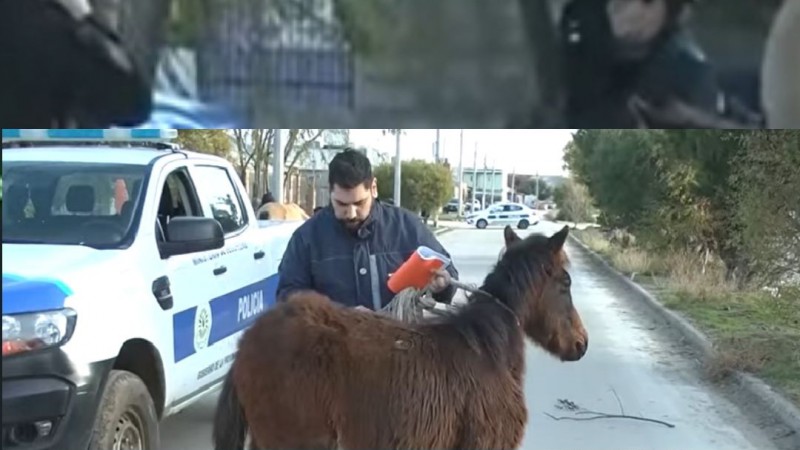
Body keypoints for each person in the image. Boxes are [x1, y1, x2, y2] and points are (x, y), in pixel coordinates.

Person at [276, 149, 459, 311]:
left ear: (373, 188)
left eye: (359, 203)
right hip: (331, 345)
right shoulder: (306, 238)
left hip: (399, 344)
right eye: (341, 204)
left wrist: (443, 286)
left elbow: (448, 272)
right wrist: (341, 316)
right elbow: (288, 297)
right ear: (329, 192)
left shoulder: (406, 226)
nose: (351, 213)